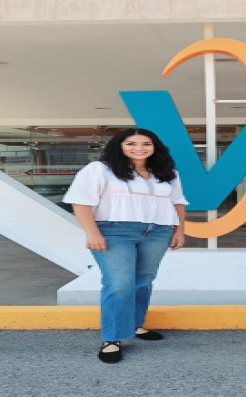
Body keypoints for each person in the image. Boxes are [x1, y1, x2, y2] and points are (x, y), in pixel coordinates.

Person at [63, 128, 188, 363]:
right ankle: (112, 338)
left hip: (158, 231)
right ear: (119, 145)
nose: (139, 148)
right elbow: (80, 202)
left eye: (146, 143)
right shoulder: (100, 169)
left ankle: (135, 325)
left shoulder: (168, 173)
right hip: (115, 231)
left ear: (155, 147)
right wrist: (92, 233)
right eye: (131, 143)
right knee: (119, 283)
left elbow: (178, 203)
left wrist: (179, 230)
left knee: (143, 280)